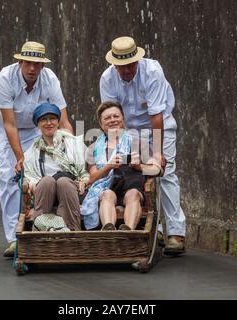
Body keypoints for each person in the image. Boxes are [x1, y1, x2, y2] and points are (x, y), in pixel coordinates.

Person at [99, 36, 186, 254]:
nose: (126, 70)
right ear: (114, 64)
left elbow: (156, 115)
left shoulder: (153, 72)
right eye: (121, 66)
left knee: (164, 173)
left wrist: (156, 153)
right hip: (128, 129)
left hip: (159, 125)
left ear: (137, 60)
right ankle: (151, 230)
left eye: (130, 65)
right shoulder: (107, 79)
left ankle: (176, 233)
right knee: (137, 176)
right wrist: (124, 142)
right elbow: (112, 114)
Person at [0, 41, 73, 257]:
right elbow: (9, 124)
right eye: (28, 63)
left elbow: (64, 120)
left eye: (37, 64)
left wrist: (72, 150)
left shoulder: (50, 79)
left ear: (42, 65)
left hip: (35, 130)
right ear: (20, 62)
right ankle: (14, 238)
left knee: (49, 176)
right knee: (10, 178)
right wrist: (20, 158)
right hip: (5, 131)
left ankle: (44, 229)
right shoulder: (6, 77)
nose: (32, 68)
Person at [81, 101, 162, 231]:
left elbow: (158, 170)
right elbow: (92, 178)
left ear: (122, 118)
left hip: (131, 188)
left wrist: (139, 166)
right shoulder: (94, 148)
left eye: (116, 116)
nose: (112, 120)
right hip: (108, 189)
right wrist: (108, 166)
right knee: (107, 194)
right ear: (101, 125)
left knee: (133, 194)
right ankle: (110, 231)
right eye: (107, 118)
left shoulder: (136, 142)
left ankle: (127, 231)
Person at [22, 103, 89, 231]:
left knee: (63, 182)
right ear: (38, 124)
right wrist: (31, 184)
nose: (48, 123)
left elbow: (86, 172)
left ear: (58, 122)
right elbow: (30, 179)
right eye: (43, 119)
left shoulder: (73, 144)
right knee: (47, 181)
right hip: (45, 192)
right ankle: (42, 228)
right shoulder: (32, 152)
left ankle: (72, 230)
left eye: (52, 118)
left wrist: (84, 180)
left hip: (71, 190)